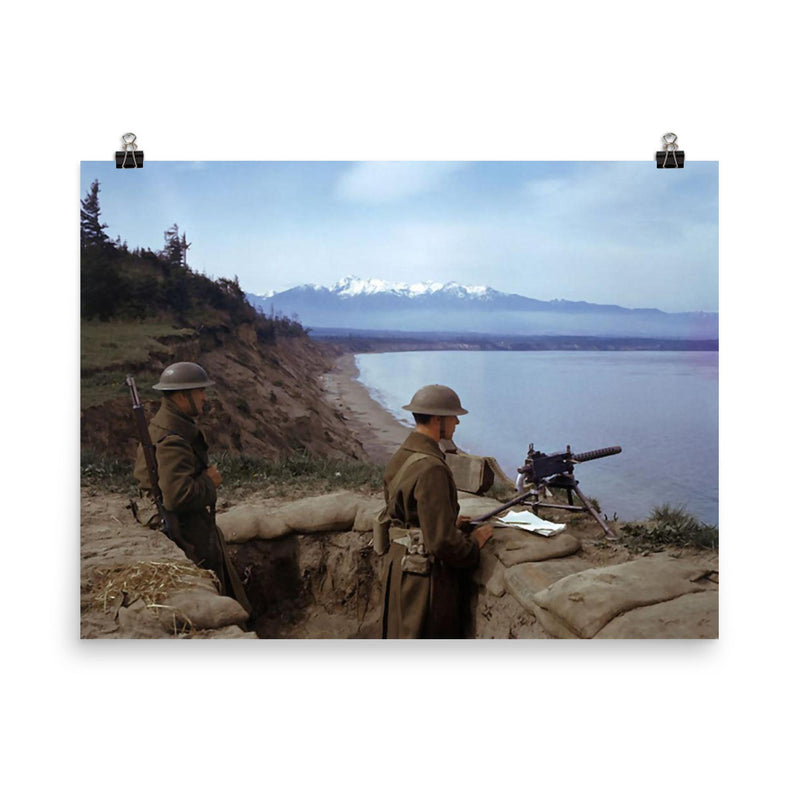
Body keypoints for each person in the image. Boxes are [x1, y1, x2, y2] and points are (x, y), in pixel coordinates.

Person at [133, 361, 251, 616]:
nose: (203, 397)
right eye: (199, 391)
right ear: (180, 395)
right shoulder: (173, 438)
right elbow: (177, 496)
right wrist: (209, 482)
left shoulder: (168, 426)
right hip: (187, 529)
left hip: (187, 524)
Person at [379, 384, 493, 638]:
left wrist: (447, 523)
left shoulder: (404, 455)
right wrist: (473, 545)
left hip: (400, 566)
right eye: (453, 417)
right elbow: (441, 542)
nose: (456, 424)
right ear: (437, 419)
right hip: (422, 579)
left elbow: (409, 514)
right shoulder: (432, 468)